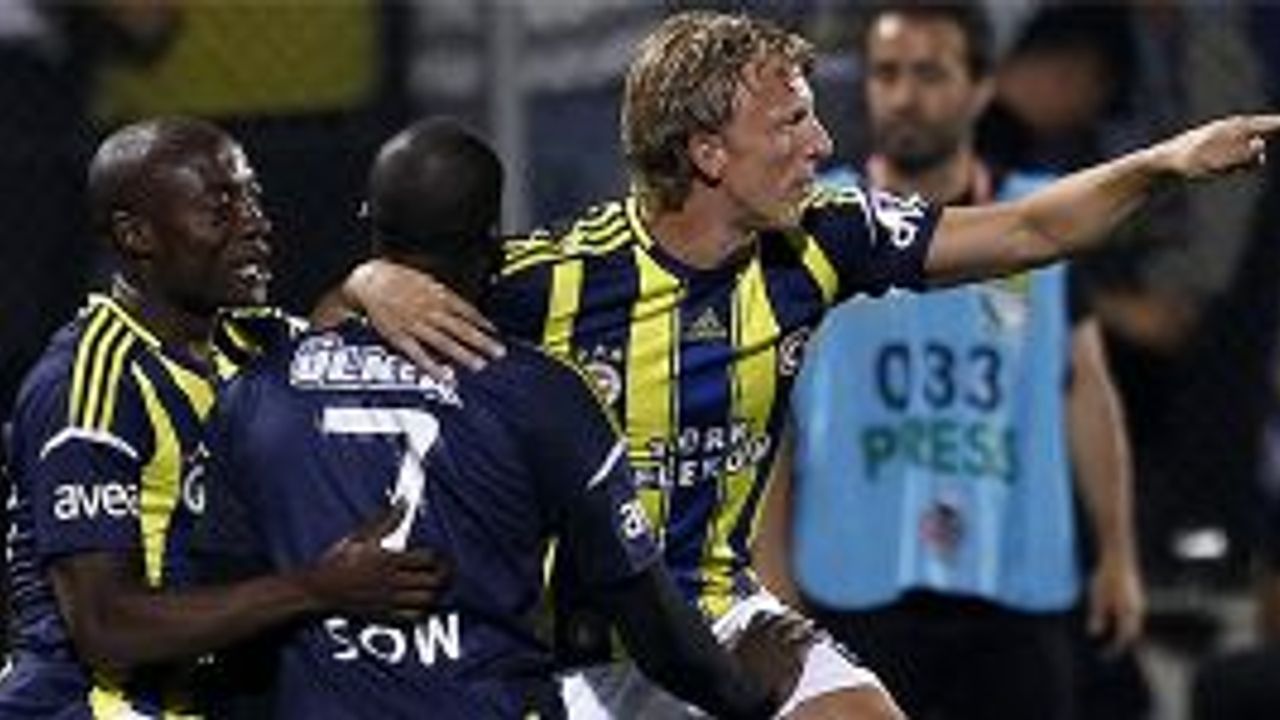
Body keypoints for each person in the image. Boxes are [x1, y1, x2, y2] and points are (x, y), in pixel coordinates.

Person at [340, 11, 1277, 719]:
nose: (823, 146)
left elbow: (1032, 228)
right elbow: (327, 350)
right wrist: (369, 282)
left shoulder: (824, 237)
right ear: (708, 153)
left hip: (724, 613)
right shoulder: (554, 280)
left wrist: (1168, 161)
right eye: (790, 122)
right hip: (572, 649)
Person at [197, 117, 810, 719]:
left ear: (370, 226)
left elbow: (222, 615)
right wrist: (747, 693)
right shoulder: (543, 396)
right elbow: (643, 611)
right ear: (494, 240)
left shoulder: (257, 394)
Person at [749, 5, 1143, 720]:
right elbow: (766, 415)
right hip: (855, 583)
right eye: (887, 73)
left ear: (982, 86)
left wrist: (1117, 553)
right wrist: (770, 581)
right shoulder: (805, 224)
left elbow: (1086, 389)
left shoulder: (1040, 221)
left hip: (1013, 587)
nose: (904, 95)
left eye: (929, 73)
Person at [0, 117, 447, 718]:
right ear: (137, 235)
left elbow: (330, 339)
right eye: (221, 209)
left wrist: (368, 282)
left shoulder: (247, 340)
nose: (255, 224)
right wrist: (317, 587)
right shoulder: (87, 385)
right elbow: (107, 626)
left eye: (253, 199)